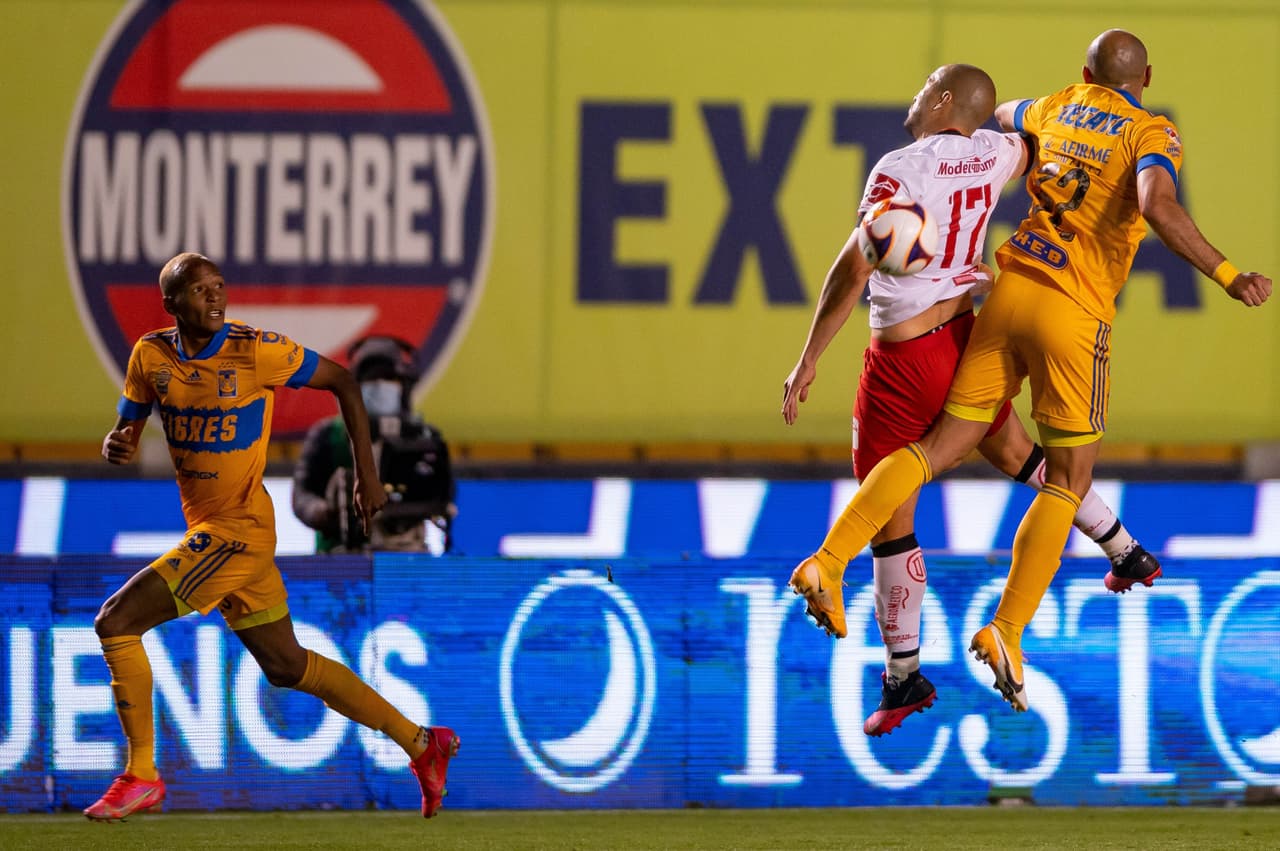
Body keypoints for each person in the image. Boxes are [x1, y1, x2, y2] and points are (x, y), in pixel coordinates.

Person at [789, 30, 1272, 713]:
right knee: (1067, 480)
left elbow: (1007, 113)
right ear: (1148, 78)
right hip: (1070, 314)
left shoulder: (1053, 107)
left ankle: (829, 559)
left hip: (1006, 294)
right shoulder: (1150, 131)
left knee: (932, 453)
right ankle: (1007, 627)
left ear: (1085, 73)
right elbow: (1156, 205)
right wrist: (1227, 273)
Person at [85, 252, 460, 821]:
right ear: (171, 304)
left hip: (241, 531)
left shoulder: (255, 350)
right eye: (199, 290)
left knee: (115, 621)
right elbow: (128, 426)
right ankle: (420, 742)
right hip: (214, 530)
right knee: (287, 667)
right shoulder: (150, 355)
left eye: (220, 286)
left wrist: (368, 476)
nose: (214, 297)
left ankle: (141, 773)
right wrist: (120, 442)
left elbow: (342, 381)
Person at [292, 335, 456, 554]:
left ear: (404, 387)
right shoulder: (328, 435)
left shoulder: (424, 439)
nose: (380, 386)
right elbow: (301, 495)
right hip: (339, 557)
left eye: (389, 379)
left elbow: (443, 493)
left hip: (406, 553)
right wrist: (326, 512)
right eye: (370, 380)